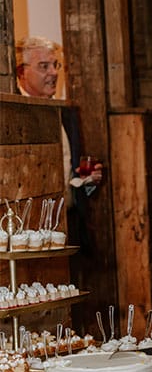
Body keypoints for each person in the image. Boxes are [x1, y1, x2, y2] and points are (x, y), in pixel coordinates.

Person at [16, 36, 103, 253]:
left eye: (55, 65)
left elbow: (73, 179)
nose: (54, 73)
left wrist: (88, 182)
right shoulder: (14, 116)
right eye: (43, 66)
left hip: (69, 225)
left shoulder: (66, 114)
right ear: (21, 72)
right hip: (28, 235)